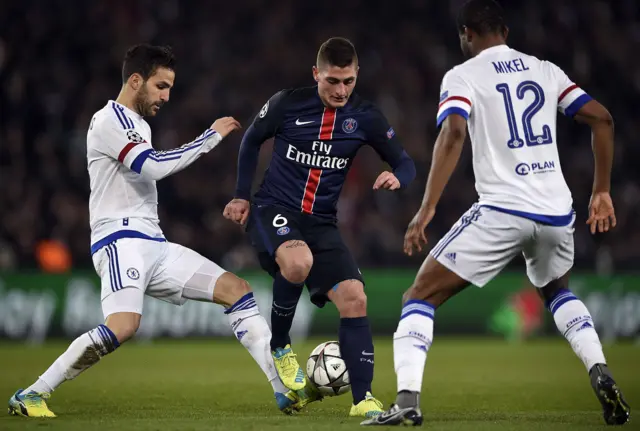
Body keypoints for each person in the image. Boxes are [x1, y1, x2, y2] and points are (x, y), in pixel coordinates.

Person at [362, 0, 630, 426]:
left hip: (503, 210)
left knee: (418, 296)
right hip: (558, 213)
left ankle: (407, 400)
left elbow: (453, 133)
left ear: (467, 34)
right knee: (557, 291)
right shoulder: (546, 70)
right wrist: (601, 191)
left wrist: (426, 207)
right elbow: (603, 119)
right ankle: (600, 370)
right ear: (504, 30)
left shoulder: (463, 75)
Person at [8, 44, 297, 418]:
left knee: (236, 289)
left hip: (154, 244)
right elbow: (152, 166)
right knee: (124, 326)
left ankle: (284, 390)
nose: (166, 96)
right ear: (135, 80)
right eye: (161, 86)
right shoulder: (109, 121)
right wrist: (208, 138)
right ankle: (32, 393)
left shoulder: (140, 124)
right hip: (119, 241)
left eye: (170, 88)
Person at [223, 37, 416, 417]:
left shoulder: (366, 117)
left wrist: (398, 178)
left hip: (321, 223)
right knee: (297, 263)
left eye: (347, 81)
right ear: (316, 74)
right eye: (332, 81)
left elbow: (406, 163)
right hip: (273, 209)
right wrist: (242, 195)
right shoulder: (287, 103)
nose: (341, 90)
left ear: (356, 75)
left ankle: (363, 401)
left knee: (355, 298)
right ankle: (280, 346)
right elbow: (250, 140)